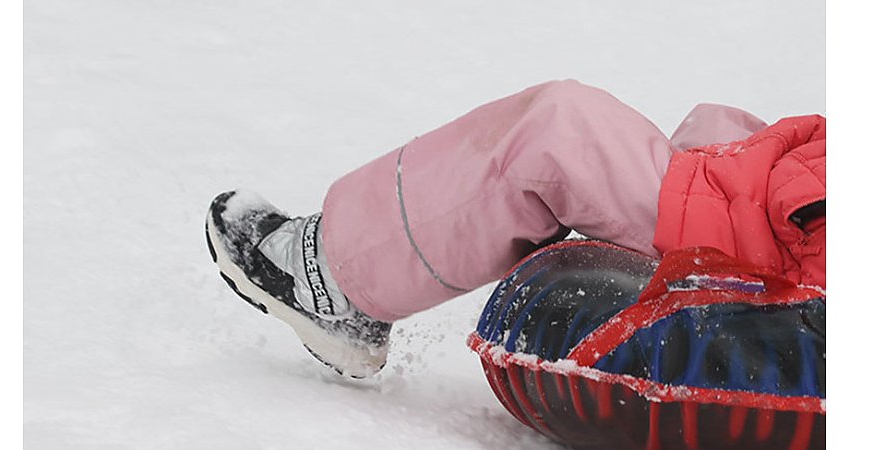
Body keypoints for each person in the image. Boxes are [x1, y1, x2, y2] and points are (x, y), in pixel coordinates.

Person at [204, 80, 825, 378]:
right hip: (780, 205)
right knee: (720, 124)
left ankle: (338, 282)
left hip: (782, 247)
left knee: (559, 133)